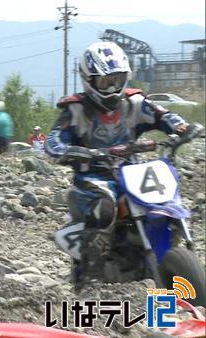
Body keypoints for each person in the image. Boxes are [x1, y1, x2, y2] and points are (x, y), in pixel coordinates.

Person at [44, 41, 190, 286]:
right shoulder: (76, 110)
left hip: (131, 172)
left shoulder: (134, 102)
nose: (112, 87)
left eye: (117, 79)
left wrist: (180, 127)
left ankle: (176, 248)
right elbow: (53, 141)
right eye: (105, 82)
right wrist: (80, 152)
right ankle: (91, 274)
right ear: (88, 80)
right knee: (105, 205)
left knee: (165, 196)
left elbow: (163, 115)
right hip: (93, 178)